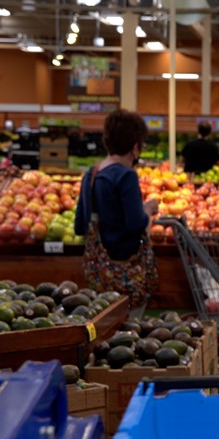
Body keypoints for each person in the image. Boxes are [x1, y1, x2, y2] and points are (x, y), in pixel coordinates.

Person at [73, 109, 160, 313]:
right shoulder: (126, 176)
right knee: (128, 330)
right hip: (127, 274)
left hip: (99, 276)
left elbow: (79, 226)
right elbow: (135, 224)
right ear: (136, 147)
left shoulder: (91, 175)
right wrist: (147, 210)